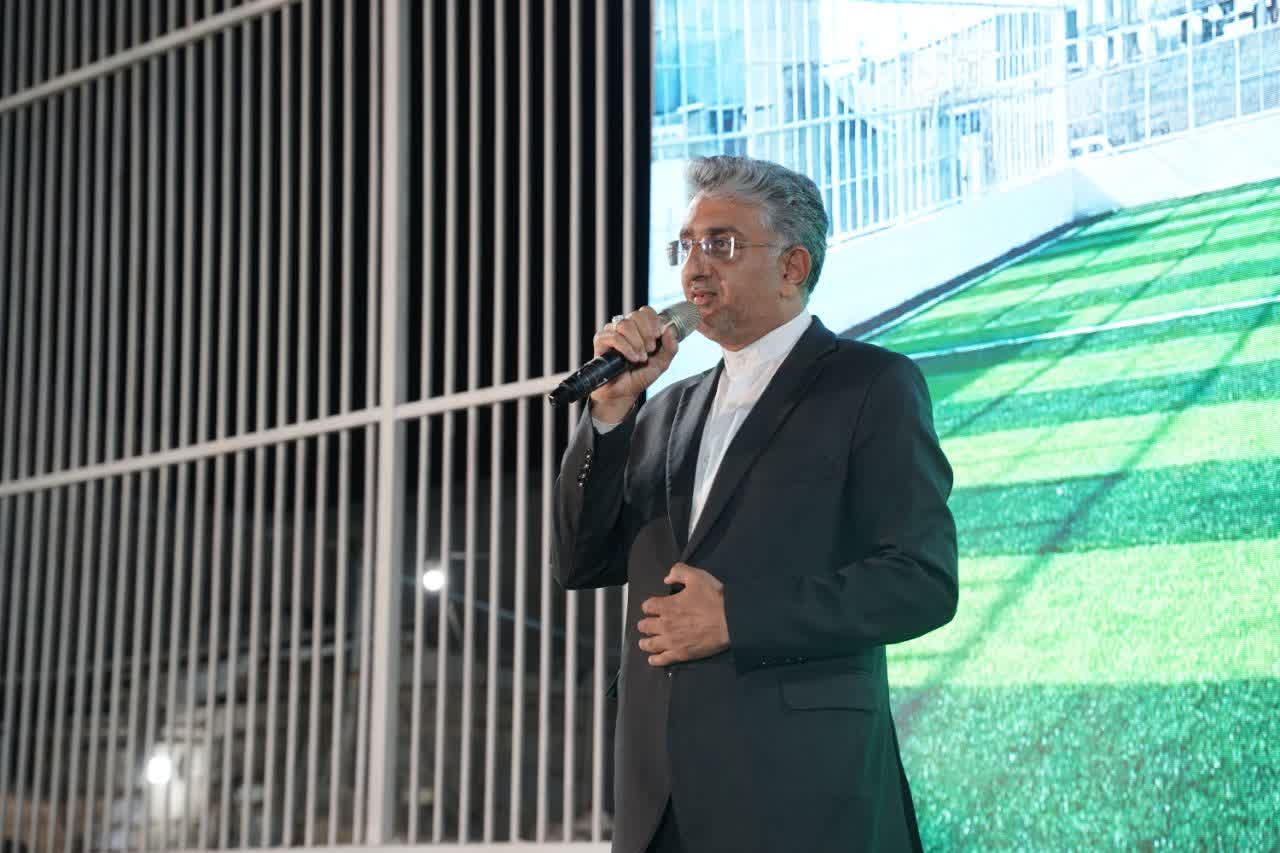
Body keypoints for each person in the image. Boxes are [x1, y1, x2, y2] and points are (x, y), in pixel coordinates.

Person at [553, 155, 958, 853]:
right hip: (659, 804)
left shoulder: (870, 385)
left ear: (792, 266)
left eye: (722, 244)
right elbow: (580, 561)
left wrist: (737, 617)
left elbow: (920, 581)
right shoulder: (662, 411)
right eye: (686, 246)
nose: (693, 269)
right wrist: (611, 415)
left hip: (799, 796)